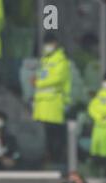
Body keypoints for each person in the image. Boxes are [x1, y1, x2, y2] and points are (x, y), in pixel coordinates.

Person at [32, 33, 71, 165]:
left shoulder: (60, 60)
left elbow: (58, 79)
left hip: (54, 101)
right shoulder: (46, 60)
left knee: (56, 133)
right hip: (44, 102)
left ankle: (56, 157)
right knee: (48, 133)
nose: (48, 47)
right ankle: (50, 156)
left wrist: (38, 82)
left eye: (50, 43)